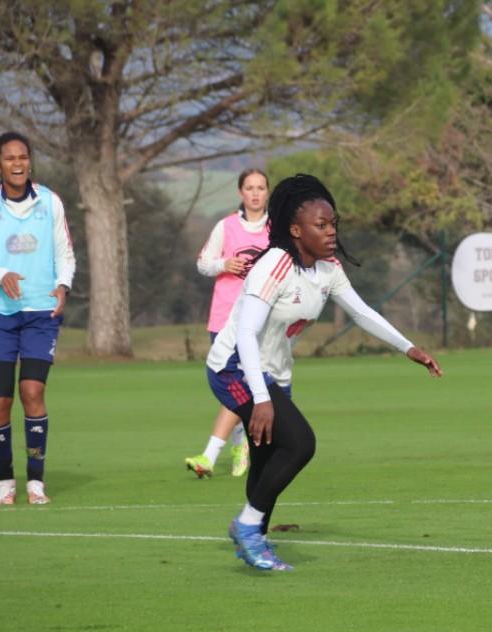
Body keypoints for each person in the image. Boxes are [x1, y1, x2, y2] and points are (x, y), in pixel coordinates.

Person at [206, 173, 442, 571]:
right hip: (234, 368)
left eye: (334, 224)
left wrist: (409, 347)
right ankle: (248, 528)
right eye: (321, 225)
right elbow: (245, 331)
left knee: (266, 460)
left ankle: (253, 538)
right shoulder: (275, 265)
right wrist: (261, 400)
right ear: (295, 230)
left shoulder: (328, 270)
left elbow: (362, 312)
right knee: (300, 444)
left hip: (274, 374)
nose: (331, 231)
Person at [0, 131, 76, 506]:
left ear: (30, 161)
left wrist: (63, 286)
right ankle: (5, 483)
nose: (17, 164)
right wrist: (1, 275)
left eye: (23, 157)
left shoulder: (51, 202)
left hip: (41, 313)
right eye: (9, 159)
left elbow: (66, 255)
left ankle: (36, 483)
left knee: (33, 392)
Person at [184, 169, 271, 479]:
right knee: (232, 389)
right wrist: (224, 264)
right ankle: (241, 445)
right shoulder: (226, 226)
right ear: (240, 193)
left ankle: (222, 451)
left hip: (260, 321)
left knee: (245, 386)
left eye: (261, 188)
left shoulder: (276, 230)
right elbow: (202, 263)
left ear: (267, 193)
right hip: (224, 318)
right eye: (250, 188)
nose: (256, 193)